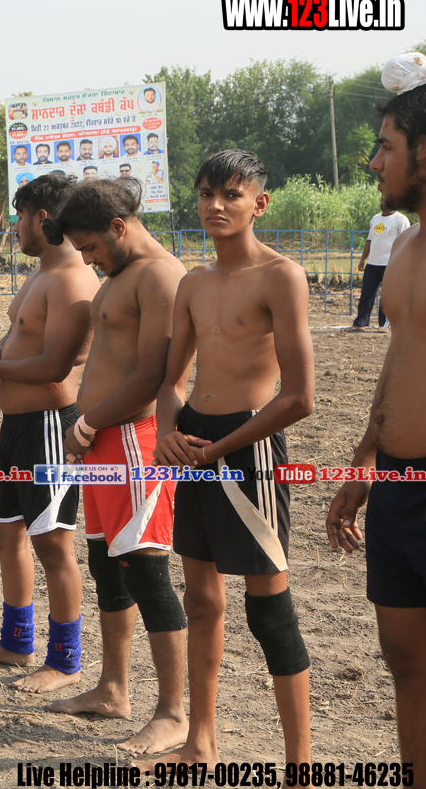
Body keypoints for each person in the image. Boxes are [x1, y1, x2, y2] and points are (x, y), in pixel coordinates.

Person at [146, 149, 316, 770]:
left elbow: (300, 397)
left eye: (231, 195)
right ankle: (200, 743)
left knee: (269, 609)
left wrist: (220, 450)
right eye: (206, 195)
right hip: (193, 442)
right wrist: (168, 434)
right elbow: (172, 381)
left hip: (249, 447)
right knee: (200, 600)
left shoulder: (281, 276)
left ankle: (300, 767)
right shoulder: (192, 282)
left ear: (258, 203)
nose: (215, 206)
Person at [41, 178, 190, 757]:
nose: (86, 259)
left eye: (90, 247)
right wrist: (89, 428)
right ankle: (112, 689)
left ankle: (173, 713)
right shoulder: (123, 275)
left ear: (119, 227)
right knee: (108, 565)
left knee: (148, 572)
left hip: (133, 441)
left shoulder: (161, 276)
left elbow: (155, 374)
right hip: (103, 440)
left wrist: (87, 424)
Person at [0, 174, 100, 691]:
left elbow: (55, 365)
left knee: (52, 543)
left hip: (50, 428)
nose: (15, 226)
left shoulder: (73, 280)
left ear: (43, 218)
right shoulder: (42, 272)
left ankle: (65, 660)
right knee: (6, 531)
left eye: (20, 215)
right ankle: (16, 642)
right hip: (18, 427)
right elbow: (20, 333)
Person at [326, 52, 426, 782]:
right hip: (394, 482)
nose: (373, 163)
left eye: (387, 147)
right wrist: (365, 458)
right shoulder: (409, 247)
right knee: (407, 662)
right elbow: (401, 358)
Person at [350, 208, 410, 331]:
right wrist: (363, 259)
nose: (383, 202)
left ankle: (384, 324)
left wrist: (403, 262)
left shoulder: (401, 219)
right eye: (382, 199)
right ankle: (360, 323)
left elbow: (406, 241)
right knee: (366, 294)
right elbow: (369, 240)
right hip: (372, 264)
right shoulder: (375, 218)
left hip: (391, 264)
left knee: (387, 296)